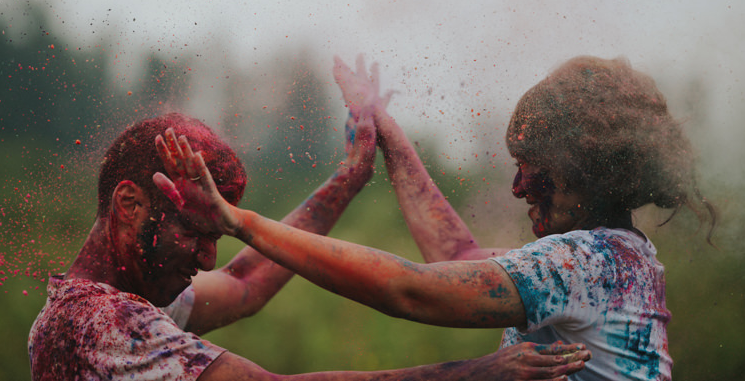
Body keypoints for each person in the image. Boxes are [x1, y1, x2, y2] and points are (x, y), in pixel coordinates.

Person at [159, 55, 714, 381]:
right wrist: (388, 133)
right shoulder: (616, 259)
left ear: (585, 171)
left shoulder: (584, 263)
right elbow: (461, 260)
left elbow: (411, 290)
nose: (518, 188)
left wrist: (236, 221)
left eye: (533, 170)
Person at [29, 109, 590, 380]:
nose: (208, 259)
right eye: (197, 234)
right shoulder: (101, 326)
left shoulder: (125, 308)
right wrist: (475, 374)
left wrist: (348, 177)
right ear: (130, 205)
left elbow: (247, 284)